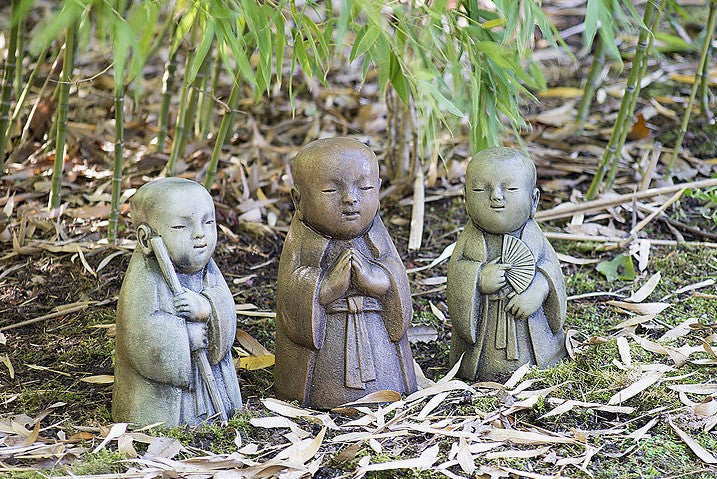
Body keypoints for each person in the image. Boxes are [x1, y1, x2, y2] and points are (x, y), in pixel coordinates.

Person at [275, 137, 417, 409]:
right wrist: (324, 288)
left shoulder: (377, 237)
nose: (350, 198)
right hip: (323, 359)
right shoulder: (302, 244)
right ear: (298, 200)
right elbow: (289, 298)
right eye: (330, 190)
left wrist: (380, 282)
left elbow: (397, 281)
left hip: (378, 344)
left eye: (364, 187)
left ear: (378, 190)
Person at [112, 178, 242, 426]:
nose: (199, 235)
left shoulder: (209, 271)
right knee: (163, 424)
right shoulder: (145, 278)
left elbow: (225, 307)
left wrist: (207, 308)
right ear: (145, 238)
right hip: (160, 406)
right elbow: (140, 333)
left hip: (214, 381)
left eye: (208, 222)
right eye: (181, 226)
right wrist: (185, 337)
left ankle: (222, 418)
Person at [447, 147, 567, 380]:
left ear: (534, 200)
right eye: (482, 189)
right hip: (482, 342)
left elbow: (550, 271)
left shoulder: (535, 239)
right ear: (466, 198)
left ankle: (544, 362)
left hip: (535, 340)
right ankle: (479, 371)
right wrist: (477, 278)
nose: (496, 197)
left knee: (540, 361)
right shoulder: (470, 241)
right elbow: (457, 276)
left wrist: (538, 289)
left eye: (510, 189)